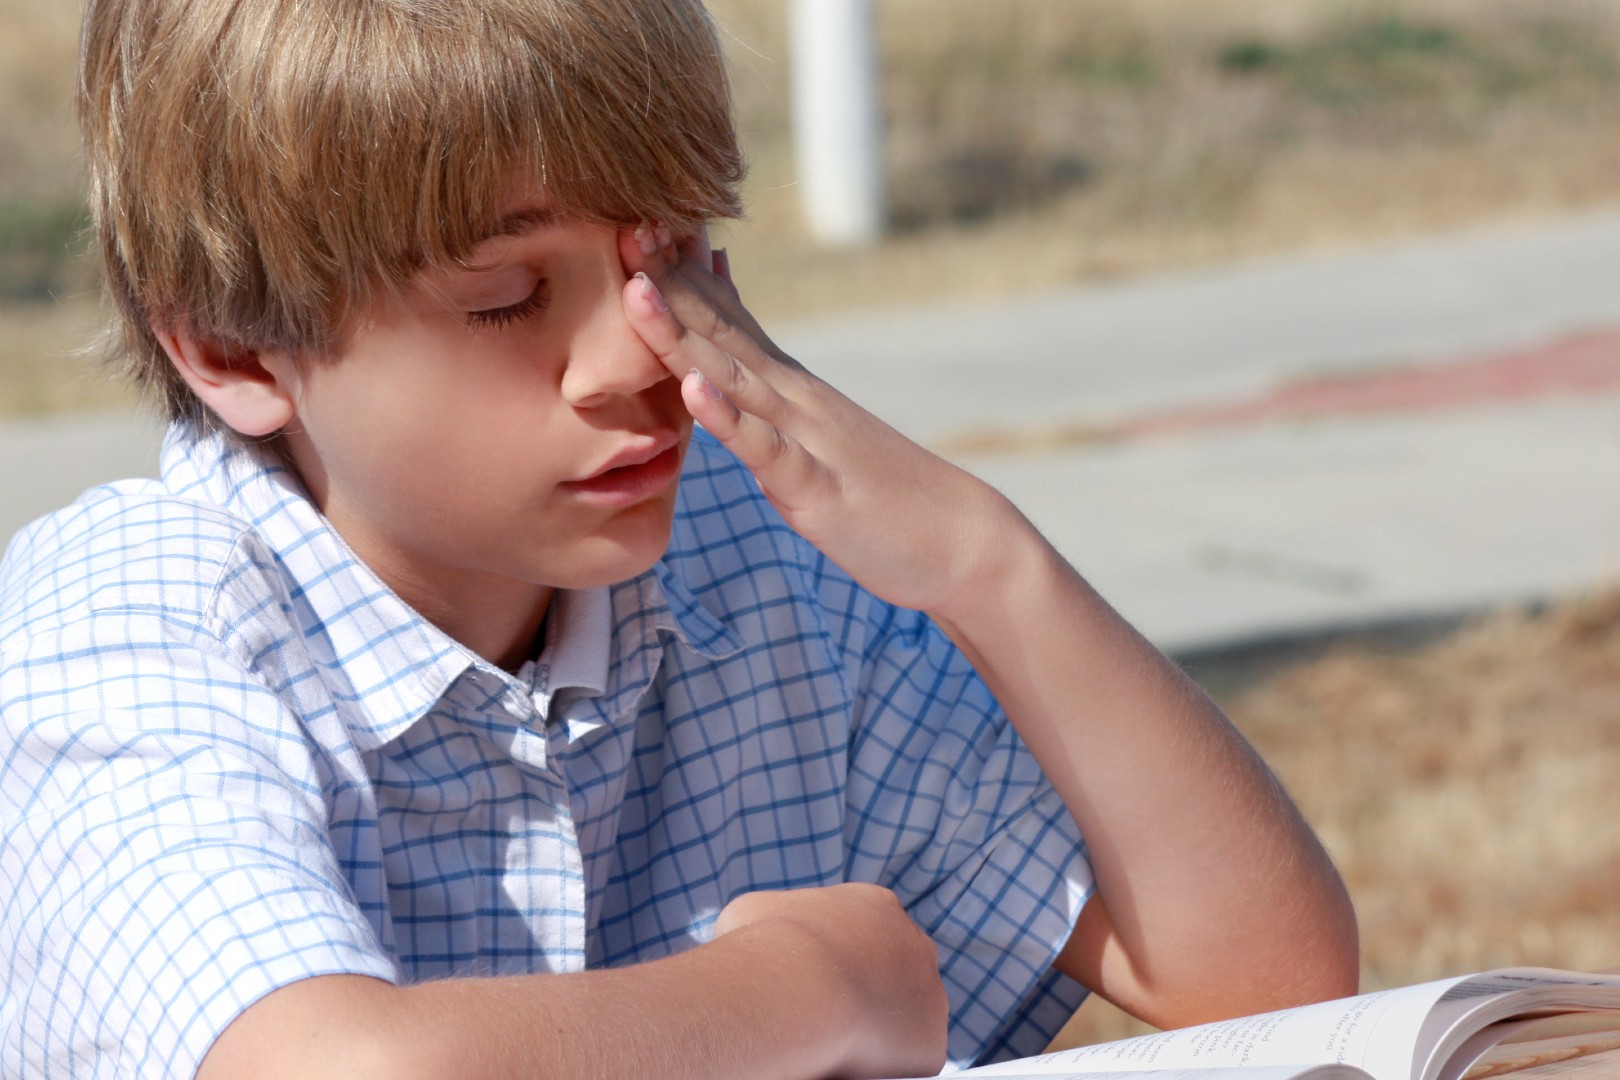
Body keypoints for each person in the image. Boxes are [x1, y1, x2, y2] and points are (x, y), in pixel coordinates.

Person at [0, 0, 1358, 1076]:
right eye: (507, 295)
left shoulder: (748, 565)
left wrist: (984, 562)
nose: (629, 361)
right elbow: (323, 1070)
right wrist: (805, 992)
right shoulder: (124, 627)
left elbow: (1270, 977)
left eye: (675, 257)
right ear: (234, 344)